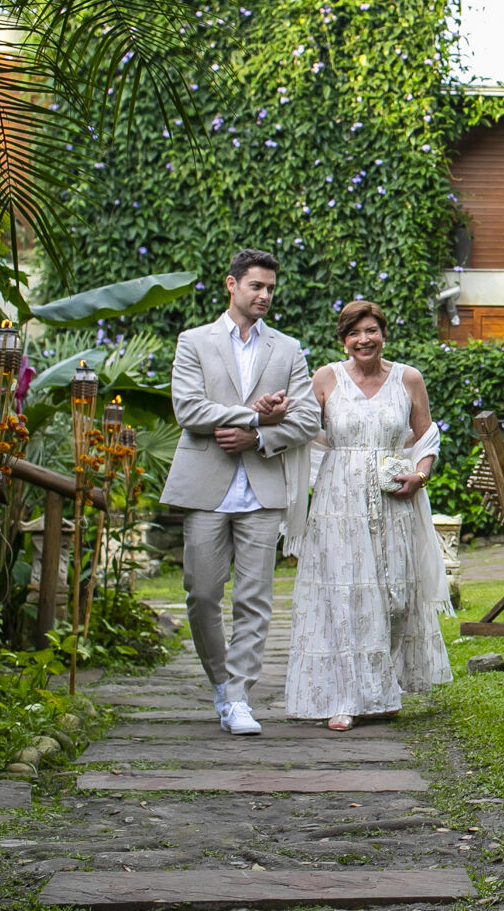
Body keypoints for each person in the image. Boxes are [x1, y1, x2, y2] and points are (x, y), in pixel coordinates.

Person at [165, 248, 320, 736]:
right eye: (256, 286)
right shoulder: (194, 341)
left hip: (263, 489)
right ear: (231, 285)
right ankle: (220, 682)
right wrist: (254, 415)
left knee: (254, 600)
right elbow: (188, 409)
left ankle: (238, 696)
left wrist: (259, 438)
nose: (265, 295)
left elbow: (308, 419)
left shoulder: (287, 349)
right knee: (202, 594)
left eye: (270, 288)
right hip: (205, 487)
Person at [285, 300, 454, 731]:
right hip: (337, 505)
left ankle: (380, 690)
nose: (364, 339)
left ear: (383, 334)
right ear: (343, 340)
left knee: (395, 598)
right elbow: (302, 432)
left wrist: (420, 474)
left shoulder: (408, 378)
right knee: (344, 597)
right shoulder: (326, 378)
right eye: (354, 333)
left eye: (371, 331)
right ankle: (344, 698)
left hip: (393, 501)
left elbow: (427, 436)